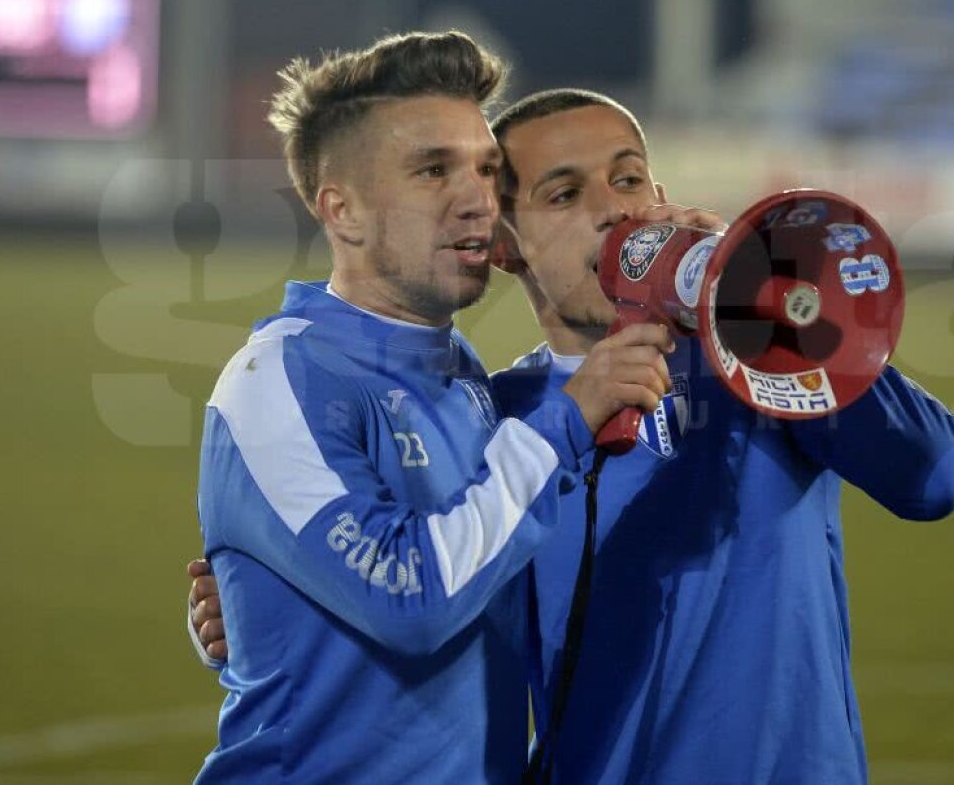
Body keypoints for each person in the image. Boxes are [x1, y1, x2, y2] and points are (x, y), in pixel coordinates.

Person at [192, 87, 954, 784]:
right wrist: (263, 609)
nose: (614, 209)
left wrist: (758, 304)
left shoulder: (759, 367)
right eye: (564, 194)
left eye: (628, 177)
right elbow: (415, 583)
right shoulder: (498, 416)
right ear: (503, 245)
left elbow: (936, 476)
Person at [192, 38, 673, 785]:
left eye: (486, 169)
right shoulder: (279, 377)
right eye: (431, 171)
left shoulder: (461, 373)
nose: (478, 198)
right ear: (342, 211)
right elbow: (411, 598)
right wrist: (563, 424)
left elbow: (480, 555)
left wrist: (262, 613)